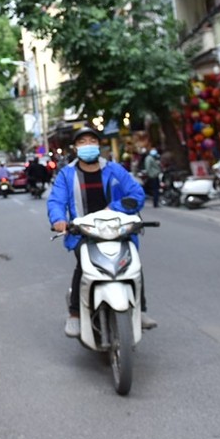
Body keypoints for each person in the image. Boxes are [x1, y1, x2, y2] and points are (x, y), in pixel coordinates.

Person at [46, 125, 155, 336]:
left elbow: (136, 194)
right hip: (83, 232)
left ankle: (140, 310)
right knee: (83, 267)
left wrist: (115, 207)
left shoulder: (115, 170)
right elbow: (56, 201)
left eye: (92, 141)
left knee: (132, 263)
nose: (88, 146)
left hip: (117, 230)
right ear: (75, 148)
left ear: (99, 145)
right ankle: (75, 314)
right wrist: (59, 219)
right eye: (82, 142)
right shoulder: (67, 175)